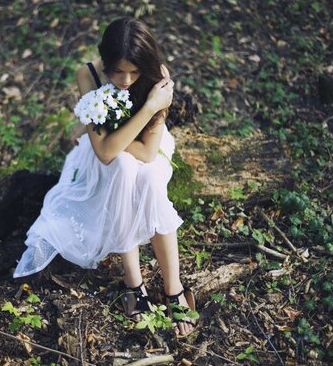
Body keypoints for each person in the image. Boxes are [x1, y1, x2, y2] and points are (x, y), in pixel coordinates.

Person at [13, 17, 196, 337]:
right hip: (107, 153)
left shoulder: (158, 78)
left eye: (134, 72)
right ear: (105, 62)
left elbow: (148, 153)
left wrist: (113, 126)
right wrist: (147, 107)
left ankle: (174, 288)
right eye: (118, 71)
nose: (126, 80)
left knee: (151, 180)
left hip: (147, 147)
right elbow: (106, 153)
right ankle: (133, 283)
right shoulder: (89, 74)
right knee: (122, 169)